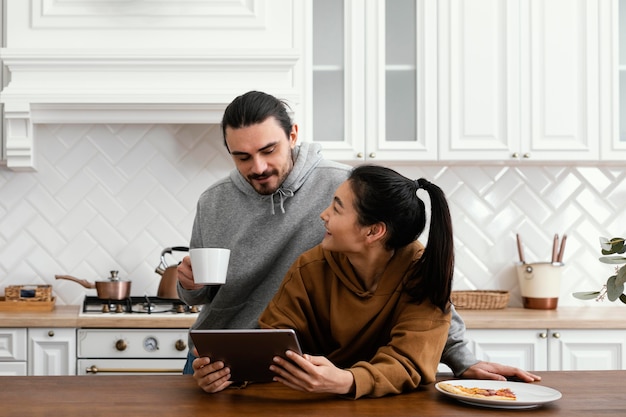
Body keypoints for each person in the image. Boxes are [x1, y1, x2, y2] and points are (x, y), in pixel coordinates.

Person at [177, 90, 540, 388]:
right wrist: (190, 286)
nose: (257, 167)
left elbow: (416, 279)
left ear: (292, 136)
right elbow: (203, 293)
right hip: (220, 359)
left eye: (268, 150)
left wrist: (464, 360)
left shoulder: (346, 188)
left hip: (310, 370)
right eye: (242, 157)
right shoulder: (213, 201)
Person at [257, 165, 454, 398]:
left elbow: (410, 362)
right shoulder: (309, 266)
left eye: (337, 209)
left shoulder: (422, 273)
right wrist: (227, 371)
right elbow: (273, 340)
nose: (324, 214)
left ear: (373, 232)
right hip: (313, 402)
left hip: (395, 406)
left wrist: (348, 381)